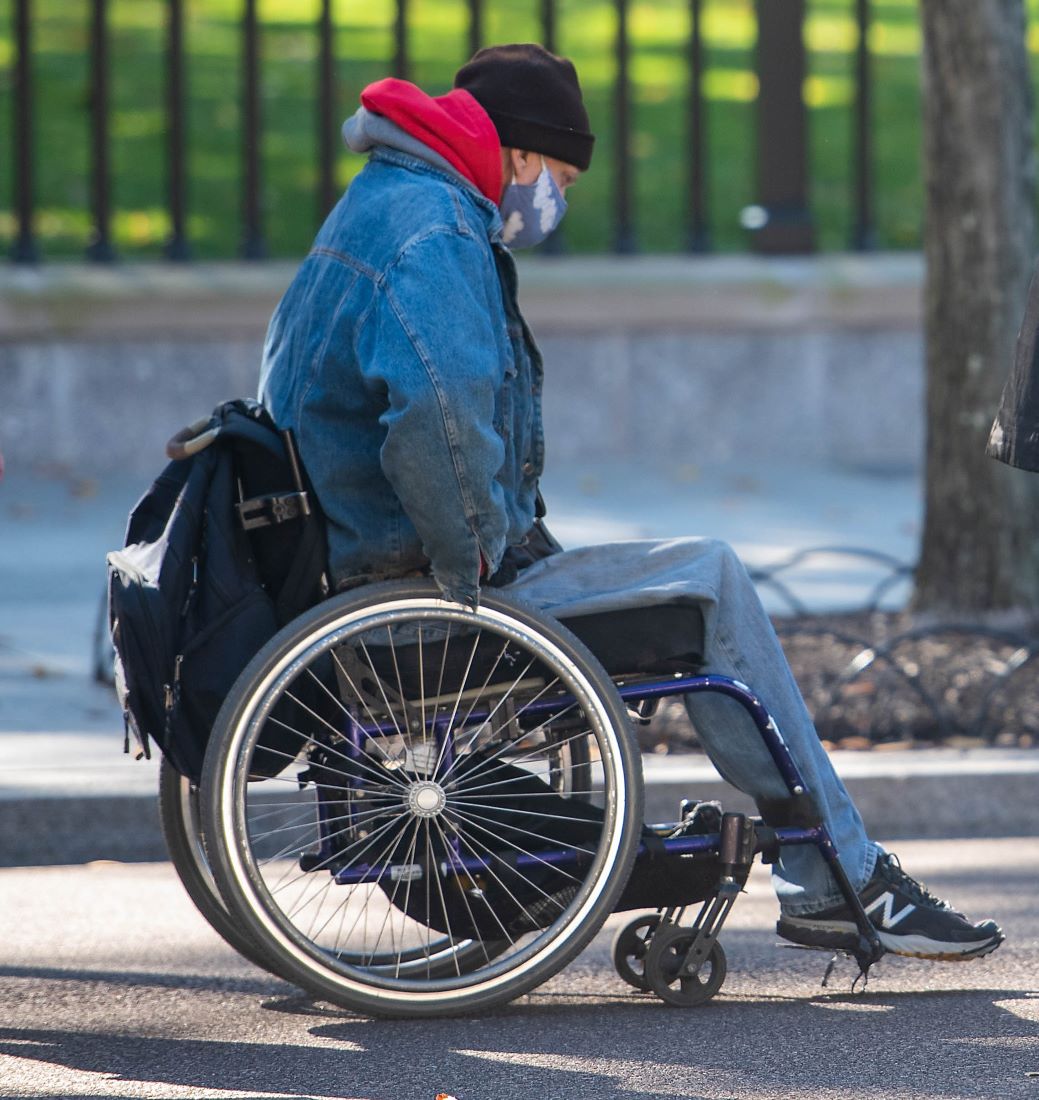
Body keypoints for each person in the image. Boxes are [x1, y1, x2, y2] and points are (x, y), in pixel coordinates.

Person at [259, 43, 1003, 963]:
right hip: (415, 591)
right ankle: (839, 877)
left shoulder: (381, 202)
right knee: (713, 578)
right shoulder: (437, 232)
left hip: (352, 568)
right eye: (559, 176)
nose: (554, 201)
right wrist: (477, 565)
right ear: (520, 156)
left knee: (678, 573)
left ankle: (832, 870)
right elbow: (439, 417)